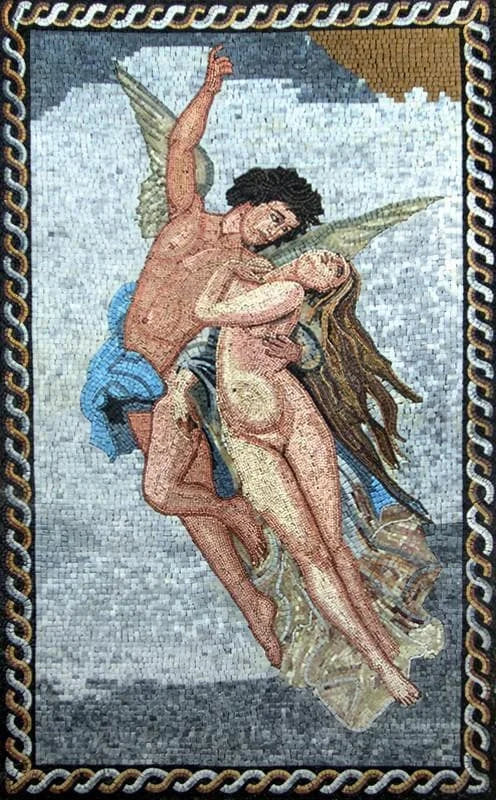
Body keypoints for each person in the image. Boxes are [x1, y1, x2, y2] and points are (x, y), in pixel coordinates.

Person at [119, 46, 325, 664]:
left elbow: (294, 319)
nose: (275, 230)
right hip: (131, 367)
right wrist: (209, 87)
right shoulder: (188, 218)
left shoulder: (255, 270)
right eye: (274, 215)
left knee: (182, 491)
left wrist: (300, 350)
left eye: (285, 229)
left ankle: (262, 585)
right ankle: (257, 603)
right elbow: (180, 147)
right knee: (188, 500)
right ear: (252, 199)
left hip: (178, 379)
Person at [194, 249, 421, 706]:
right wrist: (295, 348)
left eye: (334, 269)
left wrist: (224, 271)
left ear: (323, 288)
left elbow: (206, 312)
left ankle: (382, 655)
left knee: (328, 548)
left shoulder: (287, 290)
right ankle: (380, 656)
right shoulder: (265, 279)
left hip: (290, 415)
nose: (325, 259)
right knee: (316, 552)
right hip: (250, 430)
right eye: (328, 257)